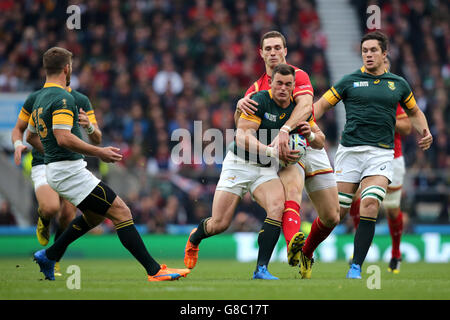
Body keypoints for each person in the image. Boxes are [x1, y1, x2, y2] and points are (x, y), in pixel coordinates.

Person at [26, 47, 190, 282]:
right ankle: (154, 270)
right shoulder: (62, 97)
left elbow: (31, 137)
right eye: (71, 66)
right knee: (122, 211)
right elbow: (63, 137)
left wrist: (51, 153)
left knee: (94, 217)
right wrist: (99, 152)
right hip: (68, 171)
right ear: (66, 68)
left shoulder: (39, 98)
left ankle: (50, 255)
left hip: (58, 170)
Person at [184, 64, 324, 280]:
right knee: (219, 223)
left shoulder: (297, 112)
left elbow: (320, 141)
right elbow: (242, 137)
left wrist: (311, 136)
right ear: (271, 83)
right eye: (279, 83)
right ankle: (195, 237)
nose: (283, 88)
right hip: (240, 163)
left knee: (277, 206)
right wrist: (272, 151)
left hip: (265, 168)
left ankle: (261, 269)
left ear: (294, 86)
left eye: (288, 85)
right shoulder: (258, 101)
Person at [313, 31, 433, 279]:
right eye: (365, 51)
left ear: (385, 54)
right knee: (342, 209)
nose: (368, 55)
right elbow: (322, 104)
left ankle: (382, 257)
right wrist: (305, 120)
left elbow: (411, 121)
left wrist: (424, 130)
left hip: (387, 156)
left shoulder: (396, 86)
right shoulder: (351, 81)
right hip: (352, 153)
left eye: (373, 51)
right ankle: (309, 251)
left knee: (383, 207)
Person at [236, 31, 340, 279]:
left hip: (308, 141)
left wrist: (285, 129)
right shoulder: (255, 89)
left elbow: (306, 107)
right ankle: (293, 242)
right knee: (291, 192)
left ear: (285, 51)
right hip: (283, 150)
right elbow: (240, 126)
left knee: (332, 216)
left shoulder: (299, 75)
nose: (273, 52)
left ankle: (305, 251)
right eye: (268, 48)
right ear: (261, 53)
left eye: (277, 47)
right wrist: (238, 106)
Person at [11, 77, 102, 276]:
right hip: (43, 161)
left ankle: (54, 258)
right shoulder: (36, 97)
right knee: (51, 207)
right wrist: (18, 145)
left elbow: (97, 137)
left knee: (68, 216)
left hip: (70, 163)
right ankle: (44, 218)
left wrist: (88, 126)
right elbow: (19, 129)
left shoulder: (81, 100)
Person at [348, 57, 412, 274]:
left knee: (392, 209)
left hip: (391, 157)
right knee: (356, 199)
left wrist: (382, 118)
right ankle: (359, 252)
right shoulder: (360, 91)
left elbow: (406, 126)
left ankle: (395, 253)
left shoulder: (394, 95)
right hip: (363, 155)